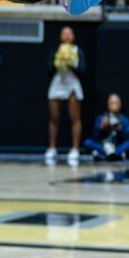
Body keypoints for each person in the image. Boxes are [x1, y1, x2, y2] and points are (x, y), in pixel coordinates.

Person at [45, 25, 84, 165]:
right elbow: (48, 69)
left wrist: (71, 63)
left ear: (73, 36)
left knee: (75, 117)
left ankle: (75, 148)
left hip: (72, 83)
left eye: (69, 33)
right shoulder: (56, 50)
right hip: (58, 82)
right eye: (64, 33)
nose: (67, 36)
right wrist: (58, 61)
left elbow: (83, 70)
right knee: (54, 117)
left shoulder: (77, 50)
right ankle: (52, 148)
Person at [82, 93, 129, 162]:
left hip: (118, 146)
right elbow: (95, 137)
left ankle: (111, 155)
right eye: (111, 103)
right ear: (107, 104)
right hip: (104, 146)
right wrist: (102, 127)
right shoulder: (101, 118)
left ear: (120, 104)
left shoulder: (124, 119)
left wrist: (120, 129)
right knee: (87, 142)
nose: (114, 105)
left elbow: (127, 138)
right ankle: (115, 155)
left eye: (116, 103)